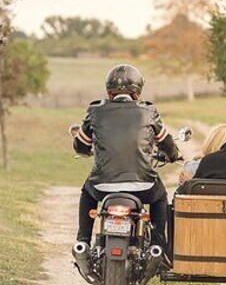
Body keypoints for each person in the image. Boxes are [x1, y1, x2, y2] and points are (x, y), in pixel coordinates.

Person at [71, 64, 180, 248]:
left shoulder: (95, 110)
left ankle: (83, 242)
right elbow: (167, 144)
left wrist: (86, 150)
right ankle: (158, 246)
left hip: (102, 186)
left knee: (87, 192)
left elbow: (80, 146)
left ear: (109, 90)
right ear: (138, 89)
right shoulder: (149, 111)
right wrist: (172, 155)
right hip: (143, 185)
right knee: (160, 196)